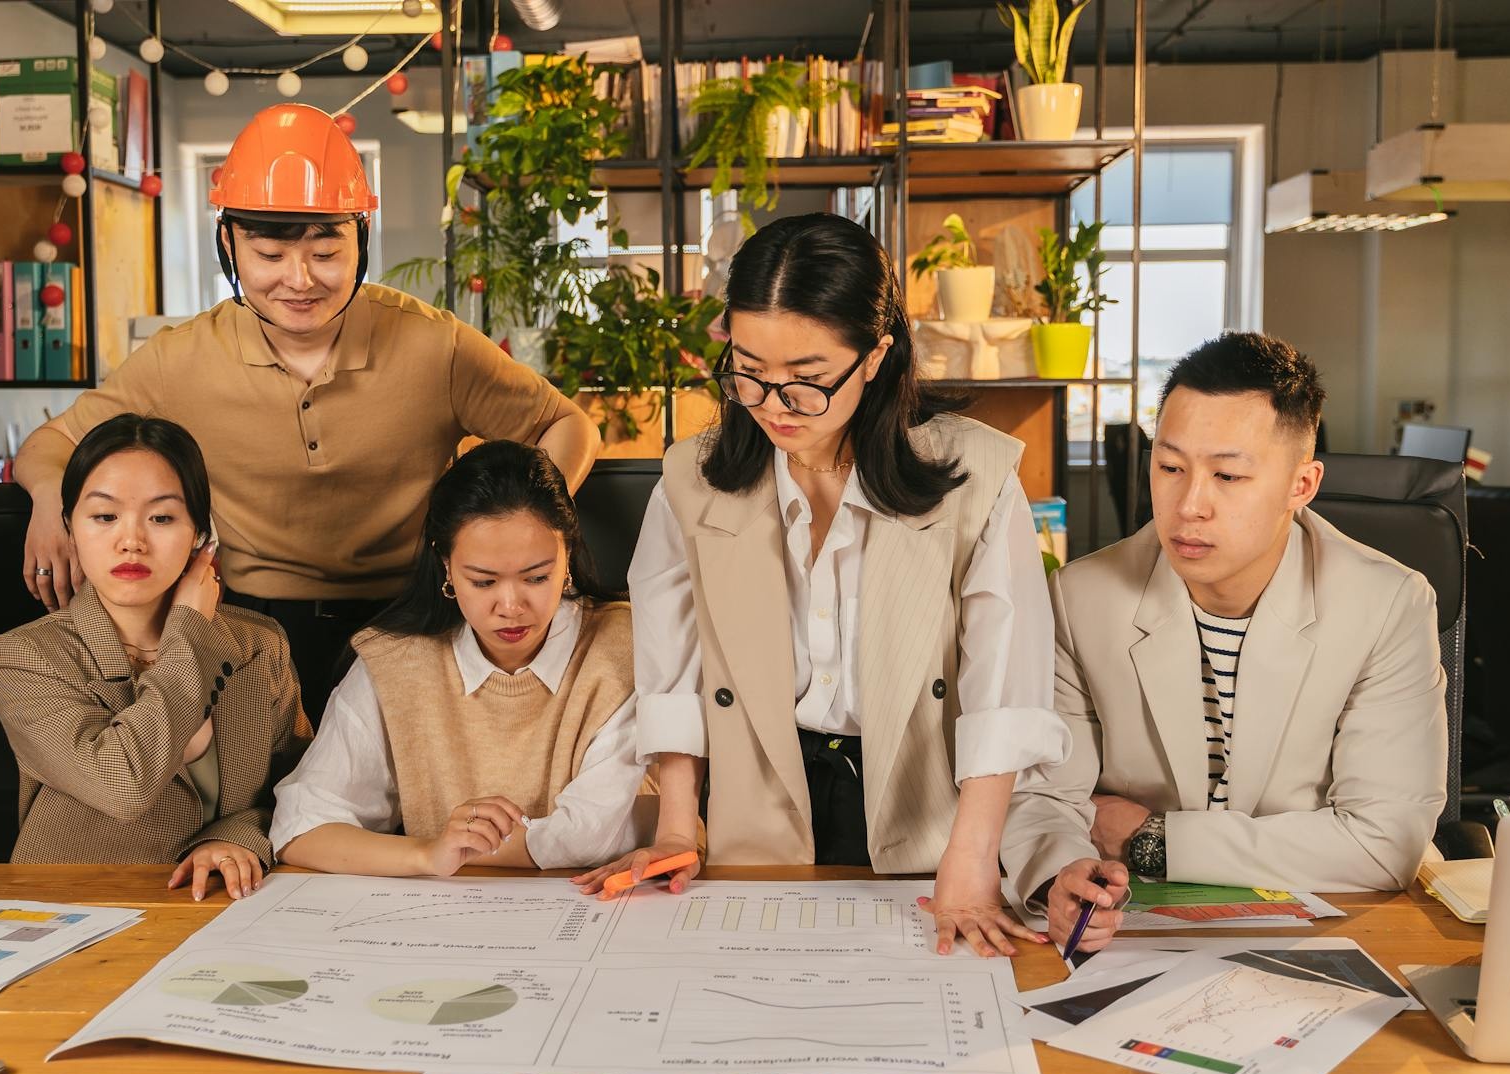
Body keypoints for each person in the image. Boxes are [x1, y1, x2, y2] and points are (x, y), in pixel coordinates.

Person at [578, 212, 1072, 958]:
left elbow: (1003, 687)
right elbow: (672, 667)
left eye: (808, 381)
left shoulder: (976, 478)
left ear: (875, 356)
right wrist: (679, 825)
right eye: (748, 371)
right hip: (760, 800)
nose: (774, 405)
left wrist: (971, 860)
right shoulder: (692, 477)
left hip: (925, 805)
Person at [13, 103, 600, 724]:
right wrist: (51, 497)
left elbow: (567, 425)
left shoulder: (435, 346)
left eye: (326, 253)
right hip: (247, 631)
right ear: (228, 245)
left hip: (414, 622)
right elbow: (52, 442)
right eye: (268, 256)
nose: (299, 281)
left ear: (361, 240)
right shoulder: (179, 359)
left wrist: (522, 530)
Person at [1008, 332, 1448, 953]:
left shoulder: (1388, 604)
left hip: (1329, 934)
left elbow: (1381, 845)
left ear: (1302, 484)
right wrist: (1062, 872)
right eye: (1169, 467)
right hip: (1134, 932)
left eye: (1229, 476)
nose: (1190, 505)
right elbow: (1047, 798)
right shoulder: (1080, 599)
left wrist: (1149, 841)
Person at [270, 440, 646, 876]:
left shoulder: (627, 644)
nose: (510, 606)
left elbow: (590, 833)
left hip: (613, 912)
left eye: (537, 577)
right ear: (446, 566)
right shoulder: (395, 663)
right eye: (484, 582)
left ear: (567, 558)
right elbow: (301, 824)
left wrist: (469, 850)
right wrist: (429, 854)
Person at [0, 415, 312, 897]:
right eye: (104, 516)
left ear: (200, 533)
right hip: (72, 910)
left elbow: (306, 792)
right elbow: (123, 785)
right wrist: (189, 634)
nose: (131, 540)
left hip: (225, 913)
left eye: (161, 517)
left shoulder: (258, 645)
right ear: (70, 529)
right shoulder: (25, 659)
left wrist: (234, 835)